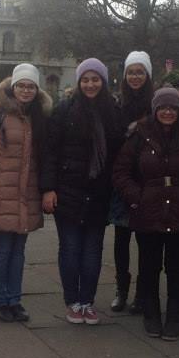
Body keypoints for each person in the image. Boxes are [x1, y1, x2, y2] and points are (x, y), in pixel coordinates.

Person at [113, 88, 179, 340]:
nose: (167, 112)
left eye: (172, 108)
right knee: (149, 267)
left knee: (178, 268)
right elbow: (121, 172)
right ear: (155, 109)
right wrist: (137, 198)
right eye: (162, 108)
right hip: (149, 211)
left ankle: (175, 315)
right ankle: (151, 314)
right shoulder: (138, 136)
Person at [41, 58, 123, 325]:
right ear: (78, 82)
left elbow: (118, 154)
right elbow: (50, 152)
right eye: (85, 79)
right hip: (68, 191)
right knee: (70, 249)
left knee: (92, 251)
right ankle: (72, 300)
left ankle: (87, 300)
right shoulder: (65, 110)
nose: (90, 84)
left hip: (99, 192)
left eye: (95, 79)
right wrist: (49, 189)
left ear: (103, 80)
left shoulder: (112, 111)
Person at [0, 63, 52, 322]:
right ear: (13, 86)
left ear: (36, 90)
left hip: (26, 193)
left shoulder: (39, 116)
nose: (26, 90)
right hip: (1, 192)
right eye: (21, 85)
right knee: (2, 249)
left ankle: (14, 299)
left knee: (18, 251)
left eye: (31, 86)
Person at [110, 51, 154, 314]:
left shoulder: (155, 102)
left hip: (149, 178)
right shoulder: (117, 104)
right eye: (131, 72)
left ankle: (142, 292)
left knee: (147, 240)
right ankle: (121, 289)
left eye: (140, 72)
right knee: (121, 238)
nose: (135, 77)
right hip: (124, 177)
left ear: (147, 75)